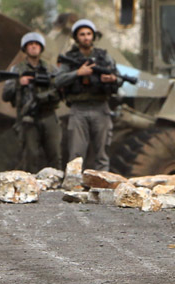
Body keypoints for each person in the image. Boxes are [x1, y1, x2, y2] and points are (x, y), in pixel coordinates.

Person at [55, 19, 121, 171]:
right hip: (79, 110)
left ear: (93, 36)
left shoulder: (103, 56)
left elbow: (119, 77)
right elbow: (58, 80)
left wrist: (112, 78)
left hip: (101, 107)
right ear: (77, 38)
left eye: (89, 34)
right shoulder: (69, 58)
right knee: (76, 155)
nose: (86, 37)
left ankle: (103, 187)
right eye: (82, 34)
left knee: (102, 153)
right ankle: (74, 187)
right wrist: (78, 73)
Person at [2, 32, 62, 173]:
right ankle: (30, 187)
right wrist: (19, 83)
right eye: (30, 44)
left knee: (55, 153)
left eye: (36, 44)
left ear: (41, 48)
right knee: (30, 155)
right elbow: (5, 95)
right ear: (25, 48)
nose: (34, 47)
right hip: (28, 117)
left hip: (48, 114)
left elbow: (61, 89)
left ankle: (56, 188)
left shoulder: (51, 69)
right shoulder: (17, 70)